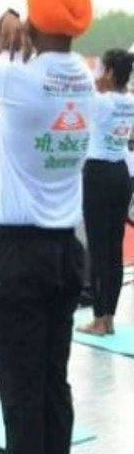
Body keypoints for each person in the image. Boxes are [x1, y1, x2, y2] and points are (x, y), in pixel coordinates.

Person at [0, 0, 97, 454]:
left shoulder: (17, 77)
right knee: (52, 387)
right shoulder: (84, 77)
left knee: (20, 395)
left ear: (33, 18)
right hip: (66, 254)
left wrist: (4, 21)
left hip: (18, 256)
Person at [77, 49, 134, 337]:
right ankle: (109, 316)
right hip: (121, 175)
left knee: (99, 249)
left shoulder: (100, 102)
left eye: (101, 68)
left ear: (110, 72)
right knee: (114, 249)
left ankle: (99, 319)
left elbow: (84, 89)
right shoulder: (130, 101)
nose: (97, 73)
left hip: (98, 174)